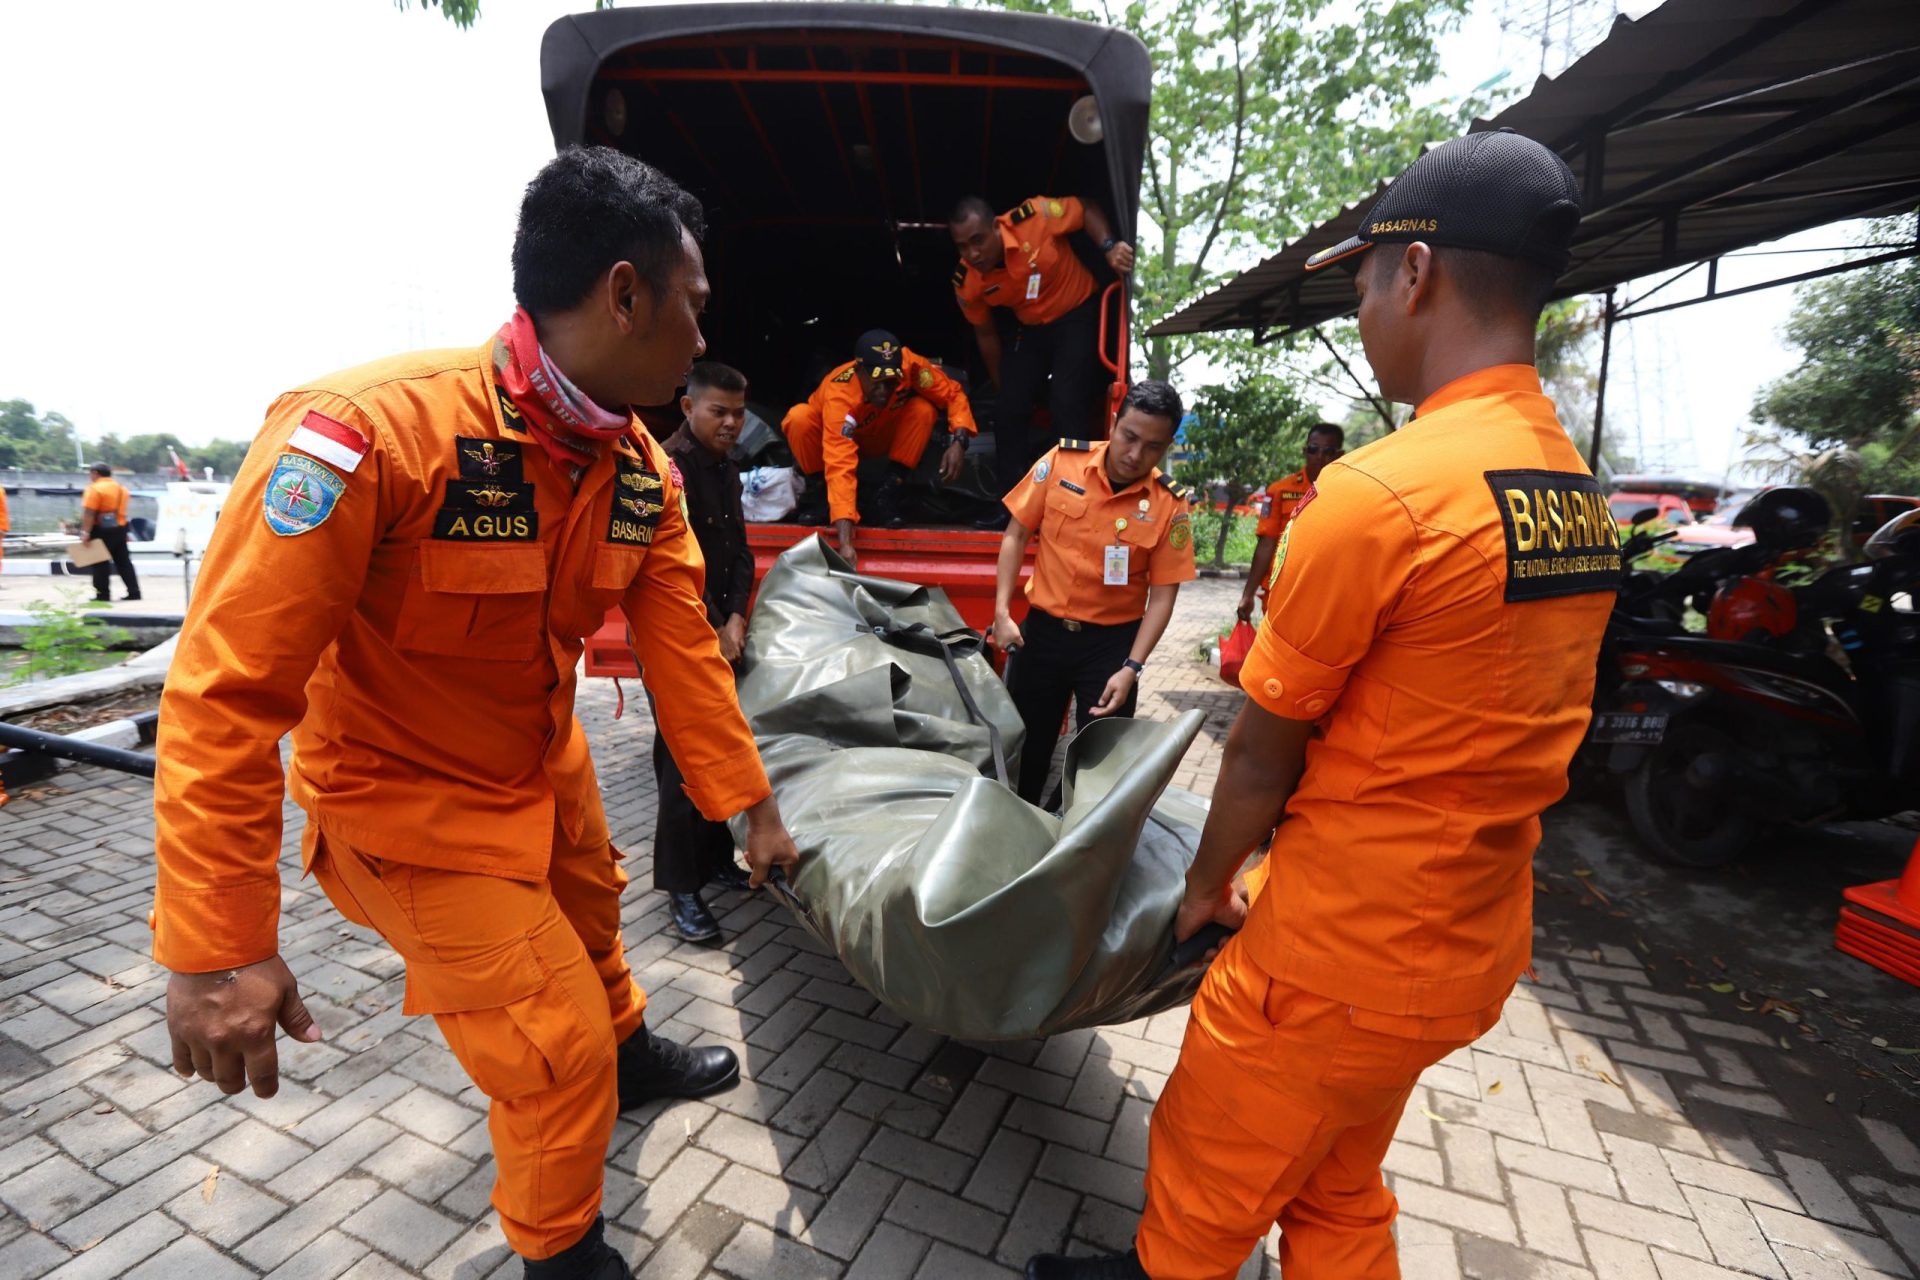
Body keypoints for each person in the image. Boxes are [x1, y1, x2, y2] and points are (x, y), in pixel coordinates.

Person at [152, 147, 801, 1280]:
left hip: (541, 770)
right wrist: (218, 952)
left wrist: (748, 804)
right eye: (694, 310)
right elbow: (223, 694)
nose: (704, 343)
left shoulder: (636, 468)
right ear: (624, 293)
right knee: (551, 1047)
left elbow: (685, 652)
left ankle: (632, 1048)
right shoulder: (367, 435)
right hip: (400, 810)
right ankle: (561, 1252)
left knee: (594, 924)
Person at [1024, 130, 1615, 1280]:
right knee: (1338, 1175)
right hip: (1469, 941)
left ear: (1416, 271)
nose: (1358, 305)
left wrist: (1204, 886)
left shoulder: (1383, 493)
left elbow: (1258, 752)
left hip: (1338, 943)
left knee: (1215, 1147)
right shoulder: (1571, 489)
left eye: (1360, 278)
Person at [990, 379, 1196, 805]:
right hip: (1042, 636)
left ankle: (1068, 837)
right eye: (1130, 437)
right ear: (1115, 423)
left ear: (1167, 446)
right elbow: (1015, 534)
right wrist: (1002, 613)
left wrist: (1132, 668)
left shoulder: (1168, 504)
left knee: (1098, 762)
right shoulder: (1062, 463)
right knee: (1028, 748)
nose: (1136, 455)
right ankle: (1020, 827)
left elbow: (1162, 596)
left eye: (1153, 447)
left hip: (1109, 648)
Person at [949, 194, 1135, 527]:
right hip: (1033, 328)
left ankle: (1077, 500)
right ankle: (1011, 509)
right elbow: (987, 336)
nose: (972, 253)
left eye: (977, 241)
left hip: (1078, 311)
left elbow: (1086, 208)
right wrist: (1004, 387)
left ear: (996, 227)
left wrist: (1109, 246)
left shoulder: (1033, 218)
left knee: (1066, 401)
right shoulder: (968, 282)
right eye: (962, 246)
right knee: (1007, 408)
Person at [655, 360, 758, 944]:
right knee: (681, 761)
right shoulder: (668, 469)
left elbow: (739, 551)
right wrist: (718, 624)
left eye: (739, 413)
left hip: (722, 628)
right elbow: (673, 564)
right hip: (675, 634)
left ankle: (716, 858)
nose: (730, 423)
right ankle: (680, 887)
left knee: (718, 743)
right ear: (689, 408)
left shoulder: (727, 466)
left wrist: (739, 614)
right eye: (718, 411)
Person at [781, 328, 978, 564]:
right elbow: (839, 462)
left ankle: (888, 492)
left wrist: (959, 441)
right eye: (877, 383)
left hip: (882, 436)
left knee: (922, 409)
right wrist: (845, 543)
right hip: (834, 445)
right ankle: (822, 494)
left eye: (890, 382)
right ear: (859, 370)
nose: (884, 391)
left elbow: (952, 394)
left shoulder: (911, 366)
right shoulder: (839, 394)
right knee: (799, 418)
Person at [1235, 424, 1345, 623]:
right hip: (1281, 590)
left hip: (1326, 595)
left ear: (1340, 454)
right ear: (1305, 451)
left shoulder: (1348, 493)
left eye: (1328, 451)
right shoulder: (1280, 490)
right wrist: (1247, 594)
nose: (1319, 457)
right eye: (1313, 449)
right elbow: (1266, 543)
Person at [80, 462, 141, 603]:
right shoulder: (121, 488)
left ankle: (102, 595)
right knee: (124, 562)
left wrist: (86, 532)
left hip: (100, 529)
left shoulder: (94, 489)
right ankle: (134, 592)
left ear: (96, 473)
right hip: (120, 528)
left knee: (100, 563)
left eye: (90, 473)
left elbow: (89, 512)